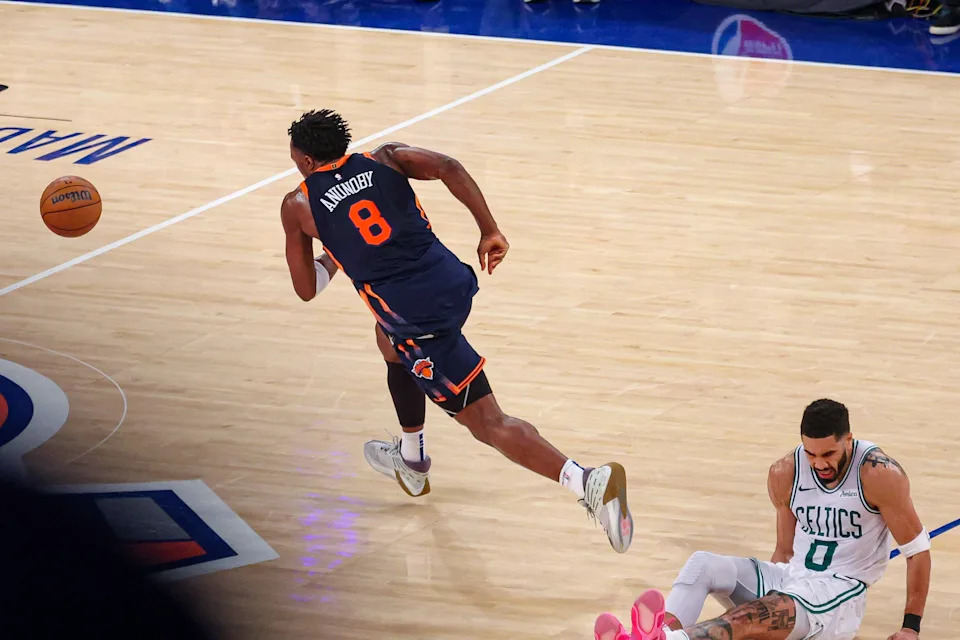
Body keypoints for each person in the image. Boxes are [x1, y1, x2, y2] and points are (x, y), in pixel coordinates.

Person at [280, 109, 633, 553]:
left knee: (487, 422)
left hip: (417, 319)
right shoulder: (386, 157)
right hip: (453, 282)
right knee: (387, 340)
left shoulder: (299, 205)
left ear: (306, 160)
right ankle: (412, 459)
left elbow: (307, 289)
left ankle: (586, 481)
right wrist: (489, 229)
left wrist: (334, 253)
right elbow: (449, 167)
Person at [594, 398, 931, 639]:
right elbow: (784, 550)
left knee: (754, 615)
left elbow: (917, 551)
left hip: (838, 595)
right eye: (811, 454)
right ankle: (663, 631)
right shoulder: (786, 472)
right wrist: (775, 615)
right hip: (793, 578)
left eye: (828, 453)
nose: (819, 463)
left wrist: (910, 628)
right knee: (702, 565)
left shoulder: (878, 475)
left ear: (849, 440)